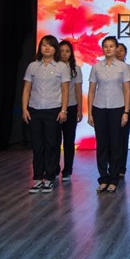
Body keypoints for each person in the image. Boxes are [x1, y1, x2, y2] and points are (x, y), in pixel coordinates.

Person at [22, 35, 70, 194]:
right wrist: (24, 109)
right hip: (35, 109)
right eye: (44, 45)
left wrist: (64, 110)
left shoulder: (62, 67)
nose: (47, 48)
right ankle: (37, 178)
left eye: (50, 45)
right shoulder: (32, 66)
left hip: (53, 110)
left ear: (55, 49)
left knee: (52, 144)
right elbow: (27, 89)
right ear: (40, 48)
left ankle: (49, 178)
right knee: (37, 145)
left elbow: (65, 90)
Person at [87, 36, 130, 193]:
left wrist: (126, 111)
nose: (108, 49)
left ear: (116, 48)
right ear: (102, 49)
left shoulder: (123, 67)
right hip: (99, 108)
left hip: (117, 108)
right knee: (102, 145)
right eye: (105, 46)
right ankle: (103, 178)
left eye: (111, 46)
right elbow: (91, 91)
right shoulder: (96, 67)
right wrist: (90, 113)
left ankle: (114, 178)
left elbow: (127, 91)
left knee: (115, 144)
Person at [58, 40, 83, 182]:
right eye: (61, 51)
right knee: (54, 140)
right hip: (55, 107)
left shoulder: (76, 69)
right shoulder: (54, 67)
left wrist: (79, 109)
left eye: (67, 51)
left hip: (71, 106)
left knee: (68, 140)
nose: (64, 54)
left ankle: (67, 170)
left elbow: (78, 90)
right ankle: (53, 168)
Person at [116, 42, 130, 178]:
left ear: (125, 53)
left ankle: (121, 168)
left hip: (126, 108)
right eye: (117, 50)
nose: (119, 52)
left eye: (122, 50)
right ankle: (112, 166)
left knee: (123, 139)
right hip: (110, 107)